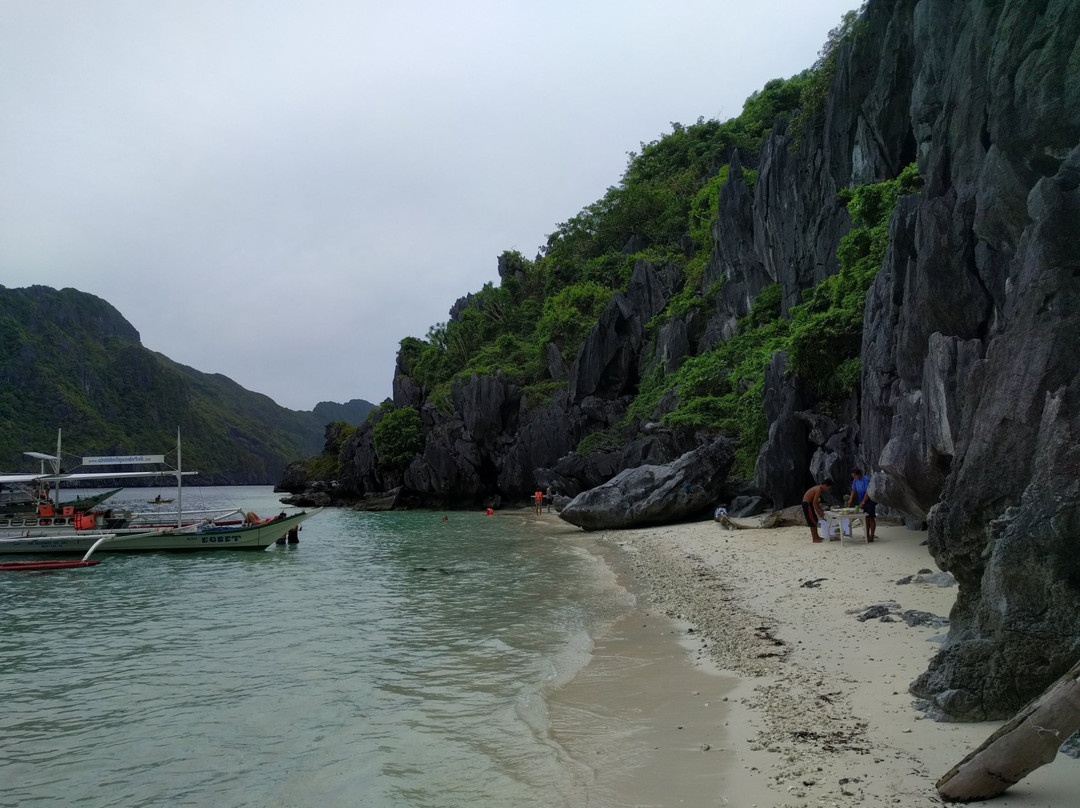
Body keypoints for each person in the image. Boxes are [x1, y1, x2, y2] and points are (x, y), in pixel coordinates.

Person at [847, 468, 877, 542]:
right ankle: (867, 535)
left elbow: (868, 492)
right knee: (865, 518)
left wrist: (863, 502)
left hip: (869, 500)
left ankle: (872, 536)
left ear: (859, 474)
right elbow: (854, 490)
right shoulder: (855, 480)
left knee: (871, 518)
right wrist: (851, 499)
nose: (854, 478)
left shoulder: (866, 479)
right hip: (862, 500)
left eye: (854, 476)